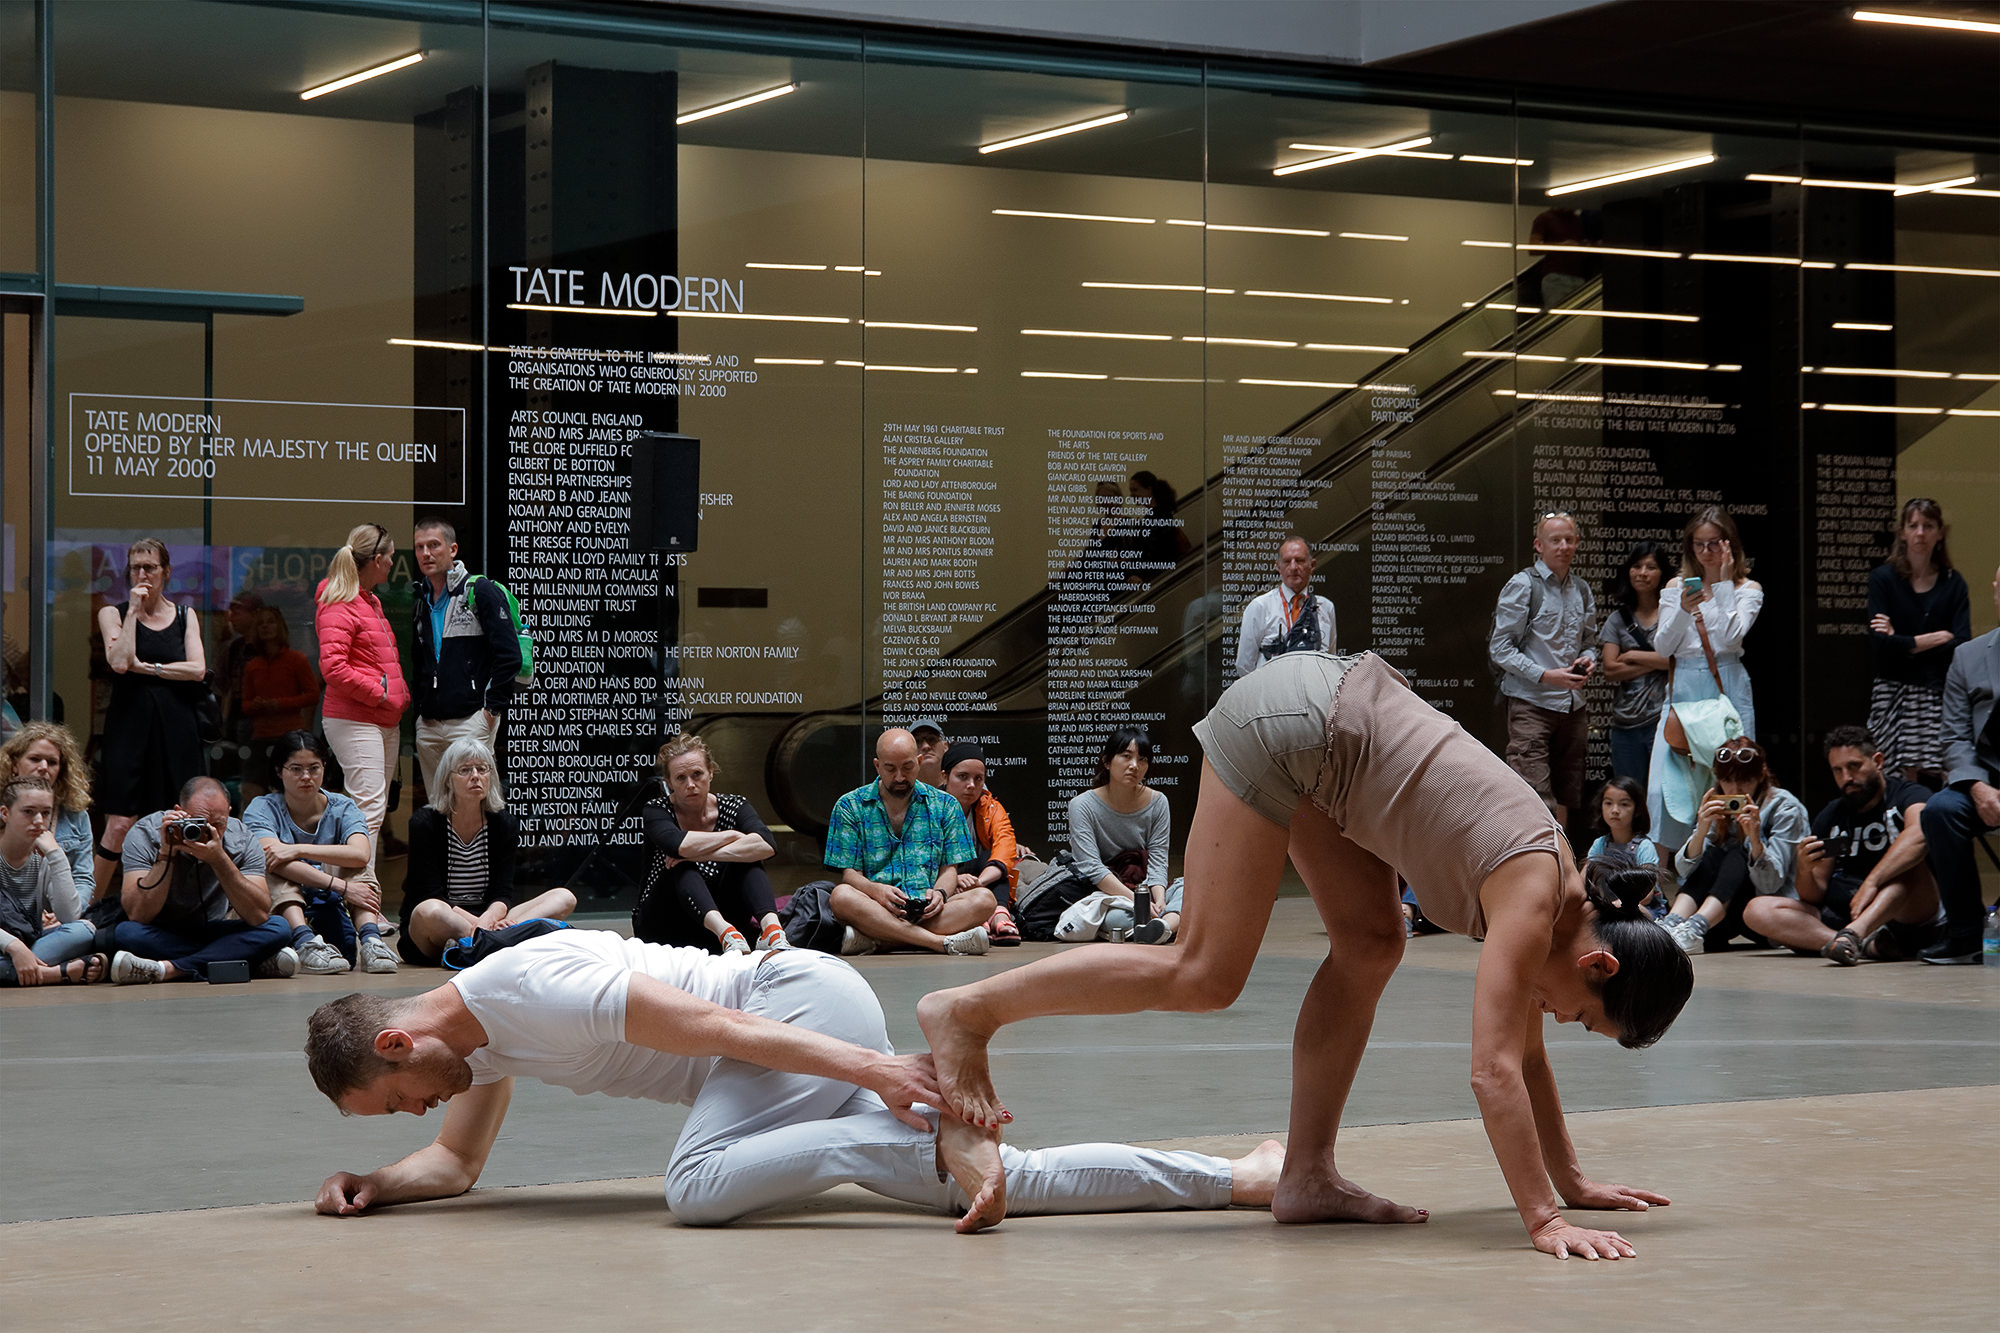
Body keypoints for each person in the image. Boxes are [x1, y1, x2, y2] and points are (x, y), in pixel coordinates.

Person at [918, 650, 1693, 1260]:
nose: (1556, 1018)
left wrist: (1572, 1179)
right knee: (1204, 970)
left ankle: (1307, 1174)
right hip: (1292, 724)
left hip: (1331, 737)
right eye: (1581, 1017)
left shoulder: (1559, 902)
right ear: (1599, 965)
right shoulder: (1531, 894)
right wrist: (1545, 1217)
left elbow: (1525, 1060)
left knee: (1370, 941)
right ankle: (967, 1010)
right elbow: (1494, 1070)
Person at [304, 932, 1289, 1232]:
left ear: (396, 1042)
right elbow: (455, 1163)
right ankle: (1240, 1177)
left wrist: (882, 1069)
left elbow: (723, 1026)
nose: (417, 1109)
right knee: (988, 1185)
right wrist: (376, 1181)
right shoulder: (474, 1050)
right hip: (786, 1064)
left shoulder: (530, 988)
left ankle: (935, 1125)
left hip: (793, 1010)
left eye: (396, 1099)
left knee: (696, 1186)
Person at [1743, 726, 1942, 965]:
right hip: (1845, 910)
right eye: (1837, 770)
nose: (1846, 777)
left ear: (1878, 761)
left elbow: (1919, 834)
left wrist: (1872, 882)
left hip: (1907, 910)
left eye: (1854, 766)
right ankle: (1857, 944)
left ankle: (1854, 935)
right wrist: (1804, 868)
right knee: (1757, 910)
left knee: (1909, 864)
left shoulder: (1909, 794)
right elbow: (1813, 894)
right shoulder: (1832, 814)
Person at [94, 538, 207, 901]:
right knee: (120, 822)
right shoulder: (112, 613)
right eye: (135, 568)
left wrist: (149, 668)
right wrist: (132, 611)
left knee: (180, 817)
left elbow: (197, 669)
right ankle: (87, 908)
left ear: (166, 571)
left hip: (177, 728)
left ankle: (180, 903)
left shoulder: (186, 615)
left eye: (150, 567)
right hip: (128, 726)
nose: (142, 574)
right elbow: (119, 662)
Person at [399, 736, 574, 966]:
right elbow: (429, 893)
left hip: (490, 919)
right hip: (444, 922)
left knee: (563, 897)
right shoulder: (425, 823)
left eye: (482, 769)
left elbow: (502, 893)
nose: (475, 776)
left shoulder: (504, 823)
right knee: (429, 910)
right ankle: (501, 943)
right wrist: (479, 924)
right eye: (465, 770)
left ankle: (480, 946)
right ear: (448, 780)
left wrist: (489, 919)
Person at [1649, 507, 1763, 853]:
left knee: (1732, 774)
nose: (1706, 551)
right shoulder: (1676, 586)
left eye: (1714, 543)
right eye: (1698, 544)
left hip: (1726, 681)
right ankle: (1666, 870)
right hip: (1683, 682)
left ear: (1729, 545)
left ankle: (1730, 859)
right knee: (1665, 783)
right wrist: (1684, 610)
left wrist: (1724, 584)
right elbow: (1662, 647)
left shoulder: (1747, 588)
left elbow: (1731, 638)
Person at [107, 776, 295, 984]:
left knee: (278, 927)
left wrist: (220, 860)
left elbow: (258, 915)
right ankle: (241, 960)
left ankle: (169, 969)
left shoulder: (242, 838)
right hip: (163, 931)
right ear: (179, 811)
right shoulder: (146, 832)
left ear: (229, 813)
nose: (208, 832)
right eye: (199, 823)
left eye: (218, 824)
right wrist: (166, 854)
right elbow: (138, 914)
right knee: (127, 933)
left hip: (215, 929)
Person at [824, 728, 993, 957]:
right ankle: (939, 942)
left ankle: (880, 941)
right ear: (877, 766)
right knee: (841, 896)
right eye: (890, 769)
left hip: (927, 910)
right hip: (876, 907)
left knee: (985, 899)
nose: (900, 777)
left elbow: (949, 869)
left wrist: (940, 893)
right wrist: (876, 890)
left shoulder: (945, 805)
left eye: (907, 767)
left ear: (919, 762)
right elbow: (850, 875)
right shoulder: (850, 805)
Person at [244, 730, 394, 975]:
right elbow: (274, 859)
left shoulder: (343, 806)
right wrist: (342, 887)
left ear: (324, 767)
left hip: (328, 897)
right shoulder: (262, 808)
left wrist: (297, 848)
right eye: (296, 769)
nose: (306, 777)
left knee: (358, 867)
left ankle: (372, 941)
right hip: (285, 901)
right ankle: (306, 942)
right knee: (271, 867)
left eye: (314, 768)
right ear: (279, 771)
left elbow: (361, 854)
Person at [632, 733, 788, 955]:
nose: (691, 784)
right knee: (680, 865)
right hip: (665, 924)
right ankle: (725, 933)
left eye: (697, 774)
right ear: (669, 783)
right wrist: (731, 835)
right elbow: (678, 846)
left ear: (711, 772)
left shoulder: (735, 805)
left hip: (729, 921)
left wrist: (703, 854)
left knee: (747, 860)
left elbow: (767, 845)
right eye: (681, 778)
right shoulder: (656, 809)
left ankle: (772, 932)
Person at [316, 523, 411, 884]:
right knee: (367, 810)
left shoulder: (368, 599)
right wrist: (382, 693)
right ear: (376, 560)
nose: (392, 564)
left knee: (371, 809)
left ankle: (341, 892)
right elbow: (333, 668)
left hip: (381, 718)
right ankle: (358, 899)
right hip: (355, 717)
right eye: (390, 557)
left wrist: (393, 697)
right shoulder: (339, 600)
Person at [1489, 512, 1597, 829]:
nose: (1563, 546)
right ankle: (1538, 855)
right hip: (1531, 703)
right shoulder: (1523, 585)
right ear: (1539, 545)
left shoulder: (1581, 589)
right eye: (1555, 540)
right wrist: (1546, 675)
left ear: (1577, 543)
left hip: (1572, 706)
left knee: (1566, 794)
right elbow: (1500, 647)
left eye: (1569, 540)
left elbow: (1590, 642)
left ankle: (1561, 856)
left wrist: (1588, 660)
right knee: (1533, 792)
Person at [1916, 562, 2000, 964]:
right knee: (1939, 811)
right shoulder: (1968, 656)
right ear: (1996, 592)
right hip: (1983, 778)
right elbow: (1953, 736)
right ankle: (1964, 933)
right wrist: (1979, 788)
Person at [1656, 739, 1809, 955]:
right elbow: (1684, 871)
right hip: (1722, 915)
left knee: (1737, 853)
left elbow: (1770, 885)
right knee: (1715, 853)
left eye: (1745, 781)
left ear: (1761, 776)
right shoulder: (1718, 803)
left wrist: (1755, 840)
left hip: (1765, 915)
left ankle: (1695, 927)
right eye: (1727, 780)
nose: (1735, 789)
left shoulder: (1784, 807)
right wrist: (1701, 830)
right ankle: (1671, 924)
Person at [411, 519, 521, 795]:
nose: (426, 553)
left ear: (453, 549)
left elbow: (510, 656)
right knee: (438, 805)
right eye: (419, 547)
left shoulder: (479, 591)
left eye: (434, 545)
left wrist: (490, 711)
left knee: (476, 802)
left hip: (470, 720)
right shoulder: (421, 599)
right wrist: (420, 712)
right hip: (429, 724)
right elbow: (418, 662)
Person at [1866, 498, 1971, 786]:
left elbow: (1961, 643)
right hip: (1893, 689)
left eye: (1928, 526)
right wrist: (1937, 637)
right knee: (1892, 772)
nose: (1920, 533)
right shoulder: (1883, 579)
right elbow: (1879, 643)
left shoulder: (1953, 583)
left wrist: (1900, 640)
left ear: (1940, 533)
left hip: (1937, 690)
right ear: (1902, 532)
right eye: (1913, 526)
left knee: (1939, 771)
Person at [1068, 727, 1180, 945]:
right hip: (1108, 892)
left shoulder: (1158, 802)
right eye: (1126, 756)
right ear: (1107, 762)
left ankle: (1162, 926)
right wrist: (1139, 902)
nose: (1134, 765)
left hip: (1146, 887)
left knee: (1189, 889)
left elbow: (1158, 859)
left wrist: (1159, 899)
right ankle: (1168, 924)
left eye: (1142, 759)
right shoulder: (1081, 805)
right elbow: (1093, 868)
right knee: (1115, 919)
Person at [0, 778, 103, 986]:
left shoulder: (45, 859)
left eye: (46, 813)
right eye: (28, 812)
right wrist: (14, 946)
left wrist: (56, 855)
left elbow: (69, 916)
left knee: (84, 930)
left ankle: (22, 968)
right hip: (8, 942)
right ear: (5, 813)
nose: (39, 820)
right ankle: (55, 973)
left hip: (31, 939)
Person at [1599, 541, 1672, 786]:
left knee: (1662, 792)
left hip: (1662, 721)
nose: (1642, 573)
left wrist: (1631, 655)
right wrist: (1658, 661)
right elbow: (1610, 670)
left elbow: (1675, 661)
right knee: (1629, 793)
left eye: (1651, 567)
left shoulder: (1671, 615)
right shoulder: (1617, 619)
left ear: (1662, 573)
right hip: (1625, 723)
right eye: (1637, 566)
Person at [941, 742, 1022, 946]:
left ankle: (999, 914)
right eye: (962, 777)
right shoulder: (928, 807)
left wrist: (979, 883)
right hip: (944, 878)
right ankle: (978, 916)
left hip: (978, 878)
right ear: (945, 777)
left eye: (978, 779)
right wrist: (952, 878)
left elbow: (1005, 848)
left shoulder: (991, 807)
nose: (971, 785)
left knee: (992, 860)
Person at [0, 722, 95, 893]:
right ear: (14, 764)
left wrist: (68, 908)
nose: (43, 767)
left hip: (59, 905)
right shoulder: (4, 807)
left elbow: (82, 878)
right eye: (35, 759)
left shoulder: (75, 815)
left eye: (52, 762)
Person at [238, 607, 320, 797]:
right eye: (261, 623)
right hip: (260, 736)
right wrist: (256, 705)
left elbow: (312, 695)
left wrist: (280, 704)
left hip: (290, 735)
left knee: (290, 791)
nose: (265, 627)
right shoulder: (253, 665)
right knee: (251, 789)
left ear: (280, 626)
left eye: (270, 621)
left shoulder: (296, 660)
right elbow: (244, 705)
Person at [1235, 535, 1337, 678]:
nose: (1293, 567)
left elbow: (1331, 661)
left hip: (1312, 689)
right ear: (1278, 567)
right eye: (1287, 561)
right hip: (1272, 689)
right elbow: (1244, 665)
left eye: (1300, 560)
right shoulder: (1260, 607)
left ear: (1312, 565)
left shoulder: (1325, 607)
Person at [1584, 777, 1659, 876]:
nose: (1615, 810)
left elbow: (1648, 884)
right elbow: (1582, 879)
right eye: (1608, 803)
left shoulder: (1644, 847)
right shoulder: (1600, 844)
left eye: (1624, 804)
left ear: (1637, 810)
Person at [910, 717, 949, 788]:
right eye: (917, 741)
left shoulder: (959, 788)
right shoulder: (902, 789)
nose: (925, 746)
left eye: (932, 739)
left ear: (945, 746)